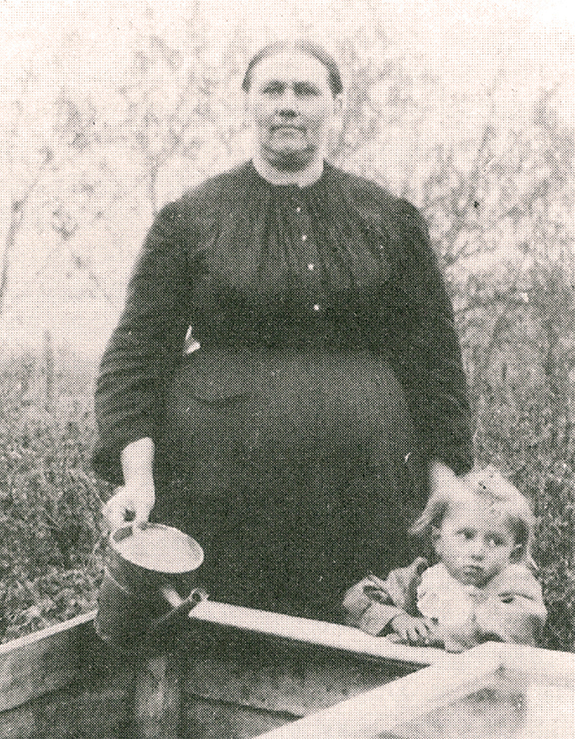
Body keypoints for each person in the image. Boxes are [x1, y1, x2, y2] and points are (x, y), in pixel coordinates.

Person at [93, 40, 474, 622]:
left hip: (364, 489)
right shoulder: (190, 219)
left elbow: (433, 359)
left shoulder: (388, 220)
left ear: (335, 105)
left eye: (306, 91)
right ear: (248, 103)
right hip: (220, 487)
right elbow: (137, 357)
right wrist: (137, 481)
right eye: (273, 90)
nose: (288, 105)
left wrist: (445, 478)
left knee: (364, 645)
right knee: (228, 650)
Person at [343, 466, 547, 651]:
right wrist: (397, 619)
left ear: (512, 553)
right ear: (438, 540)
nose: (477, 552)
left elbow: (517, 626)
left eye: (494, 541)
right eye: (466, 536)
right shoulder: (421, 580)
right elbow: (358, 598)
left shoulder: (514, 587)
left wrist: (445, 634)